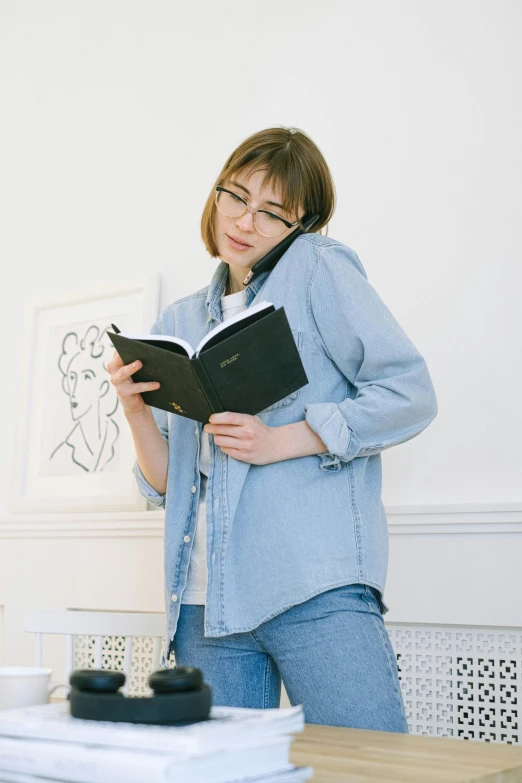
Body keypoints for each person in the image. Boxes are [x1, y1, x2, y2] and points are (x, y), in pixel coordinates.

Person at [107, 127, 438, 731]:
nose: (244, 221)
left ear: (302, 224)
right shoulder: (179, 318)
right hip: (205, 604)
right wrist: (133, 411)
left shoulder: (316, 270)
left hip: (312, 586)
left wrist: (283, 440)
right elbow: (163, 482)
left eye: (272, 213)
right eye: (235, 197)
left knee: (371, 769)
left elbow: (410, 393)